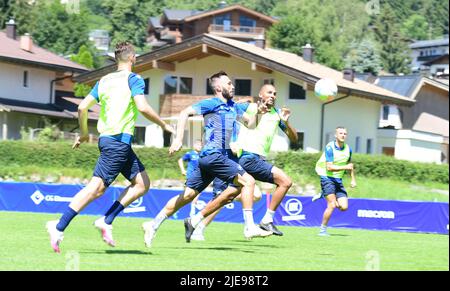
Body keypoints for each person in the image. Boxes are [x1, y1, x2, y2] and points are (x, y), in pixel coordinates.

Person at [45, 41, 175, 253]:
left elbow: (82, 107)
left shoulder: (104, 80)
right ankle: (58, 227)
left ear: (116, 59)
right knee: (95, 188)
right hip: (117, 142)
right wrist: (164, 125)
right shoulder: (134, 79)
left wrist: (85, 134)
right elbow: (142, 106)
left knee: (142, 183)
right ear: (133, 58)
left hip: (111, 141)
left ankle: (106, 220)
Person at [141, 71, 272, 248]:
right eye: (229, 84)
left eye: (232, 84)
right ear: (218, 87)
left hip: (213, 159)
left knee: (189, 196)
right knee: (247, 181)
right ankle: (249, 226)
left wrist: (261, 113)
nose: (232, 86)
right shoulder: (212, 103)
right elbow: (184, 112)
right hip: (213, 155)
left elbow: (250, 124)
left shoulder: (233, 107)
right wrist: (178, 139)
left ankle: (153, 224)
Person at [195, 84, 298, 237]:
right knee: (285, 181)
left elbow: (294, 139)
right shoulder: (248, 108)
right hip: (246, 157)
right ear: (260, 95)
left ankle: (197, 225)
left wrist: (287, 122)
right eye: (269, 92)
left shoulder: (277, 115)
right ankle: (266, 220)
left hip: (254, 160)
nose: (273, 96)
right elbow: (226, 110)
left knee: (247, 195)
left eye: (275, 93)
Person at [313, 126, 356, 236]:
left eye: (345, 133)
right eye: (340, 133)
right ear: (336, 135)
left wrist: (353, 179)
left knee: (344, 207)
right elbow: (330, 167)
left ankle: (323, 194)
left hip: (338, 180)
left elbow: (350, 166)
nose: (343, 135)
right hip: (326, 177)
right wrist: (346, 167)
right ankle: (322, 230)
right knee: (332, 205)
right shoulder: (330, 148)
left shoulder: (348, 149)